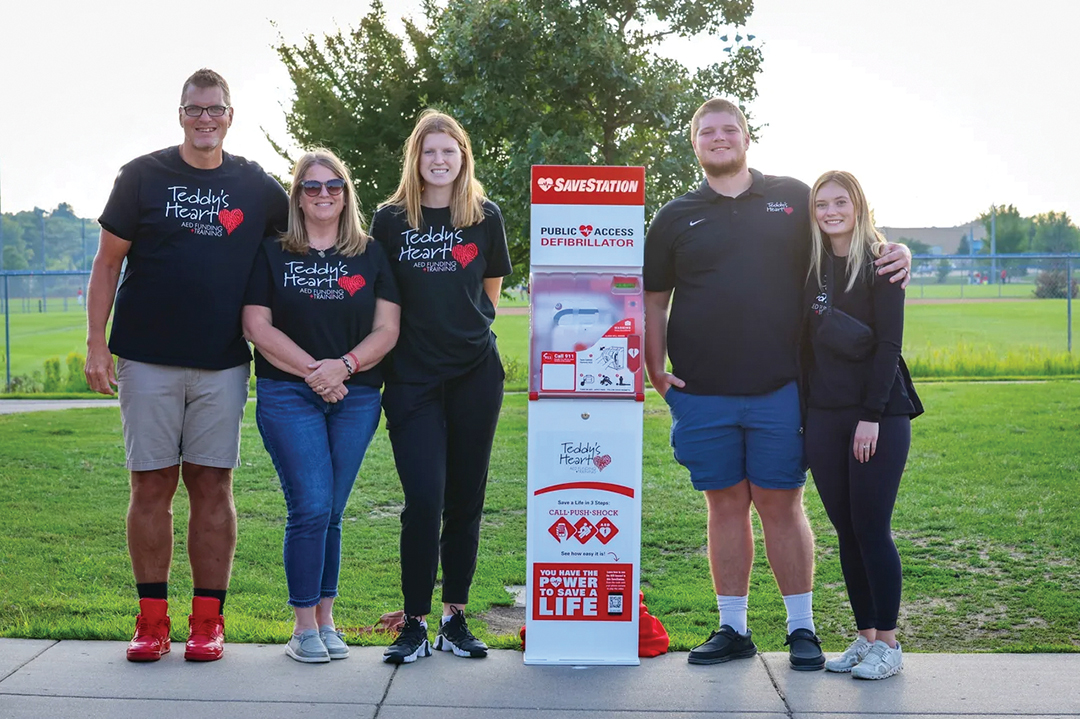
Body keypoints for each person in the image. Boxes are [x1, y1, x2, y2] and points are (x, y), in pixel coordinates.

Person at [642, 97, 911, 671]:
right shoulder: (672, 216)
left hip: (782, 389)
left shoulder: (791, 197)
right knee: (725, 506)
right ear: (695, 143)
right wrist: (657, 373)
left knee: (782, 504)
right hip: (701, 393)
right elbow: (653, 301)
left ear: (746, 136)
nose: (719, 138)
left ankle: (802, 629)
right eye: (707, 132)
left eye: (729, 129)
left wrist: (898, 250)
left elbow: (848, 233)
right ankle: (733, 628)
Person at [84, 68, 289, 662]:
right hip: (146, 359)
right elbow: (106, 265)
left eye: (215, 109)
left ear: (230, 115)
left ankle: (207, 621)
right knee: (150, 484)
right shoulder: (142, 177)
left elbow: (306, 238)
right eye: (195, 109)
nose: (205, 119)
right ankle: (151, 621)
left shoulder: (256, 187)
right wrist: (97, 345)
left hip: (223, 363)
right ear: (181, 114)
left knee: (212, 485)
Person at [243, 149, 401, 663]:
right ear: (298, 196)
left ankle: (328, 619)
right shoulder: (273, 253)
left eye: (334, 186)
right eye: (312, 187)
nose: (324, 194)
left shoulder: (372, 254)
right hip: (289, 392)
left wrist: (345, 367)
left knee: (331, 511)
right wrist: (317, 371)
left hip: (355, 396)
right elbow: (257, 327)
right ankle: (302, 627)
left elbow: (388, 329)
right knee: (309, 506)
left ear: (346, 193)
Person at [370, 110, 512, 665]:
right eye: (429, 151)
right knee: (423, 500)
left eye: (448, 151)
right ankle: (414, 623)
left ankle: (454, 617)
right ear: (415, 157)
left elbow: (490, 290)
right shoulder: (389, 221)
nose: (438, 160)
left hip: (476, 375)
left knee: (465, 500)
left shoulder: (484, 217)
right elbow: (381, 299)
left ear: (462, 157)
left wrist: (466, 336)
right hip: (412, 379)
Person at [802, 170, 922, 680]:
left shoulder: (881, 263)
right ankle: (865, 636)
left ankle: (890, 644)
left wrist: (870, 417)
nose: (830, 211)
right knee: (846, 532)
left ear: (858, 206)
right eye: (821, 204)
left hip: (877, 415)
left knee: (872, 529)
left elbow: (888, 346)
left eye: (840, 202)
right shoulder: (808, 268)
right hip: (824, 417)